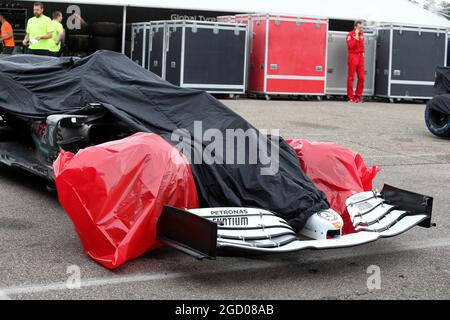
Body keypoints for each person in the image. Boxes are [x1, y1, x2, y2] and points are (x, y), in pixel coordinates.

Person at [346, 20, 365, 103]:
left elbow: (361, 46)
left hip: (360, 57)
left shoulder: (362, 34)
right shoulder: (350, 34)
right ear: (355, 27)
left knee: (361, 77)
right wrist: (356, 37)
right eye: (359, 27)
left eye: (361, 27)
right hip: (353, 56)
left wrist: (363, 53)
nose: (361, 28)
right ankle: (351, 97)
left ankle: (358, 96)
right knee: (351, 77)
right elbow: (350, 46)